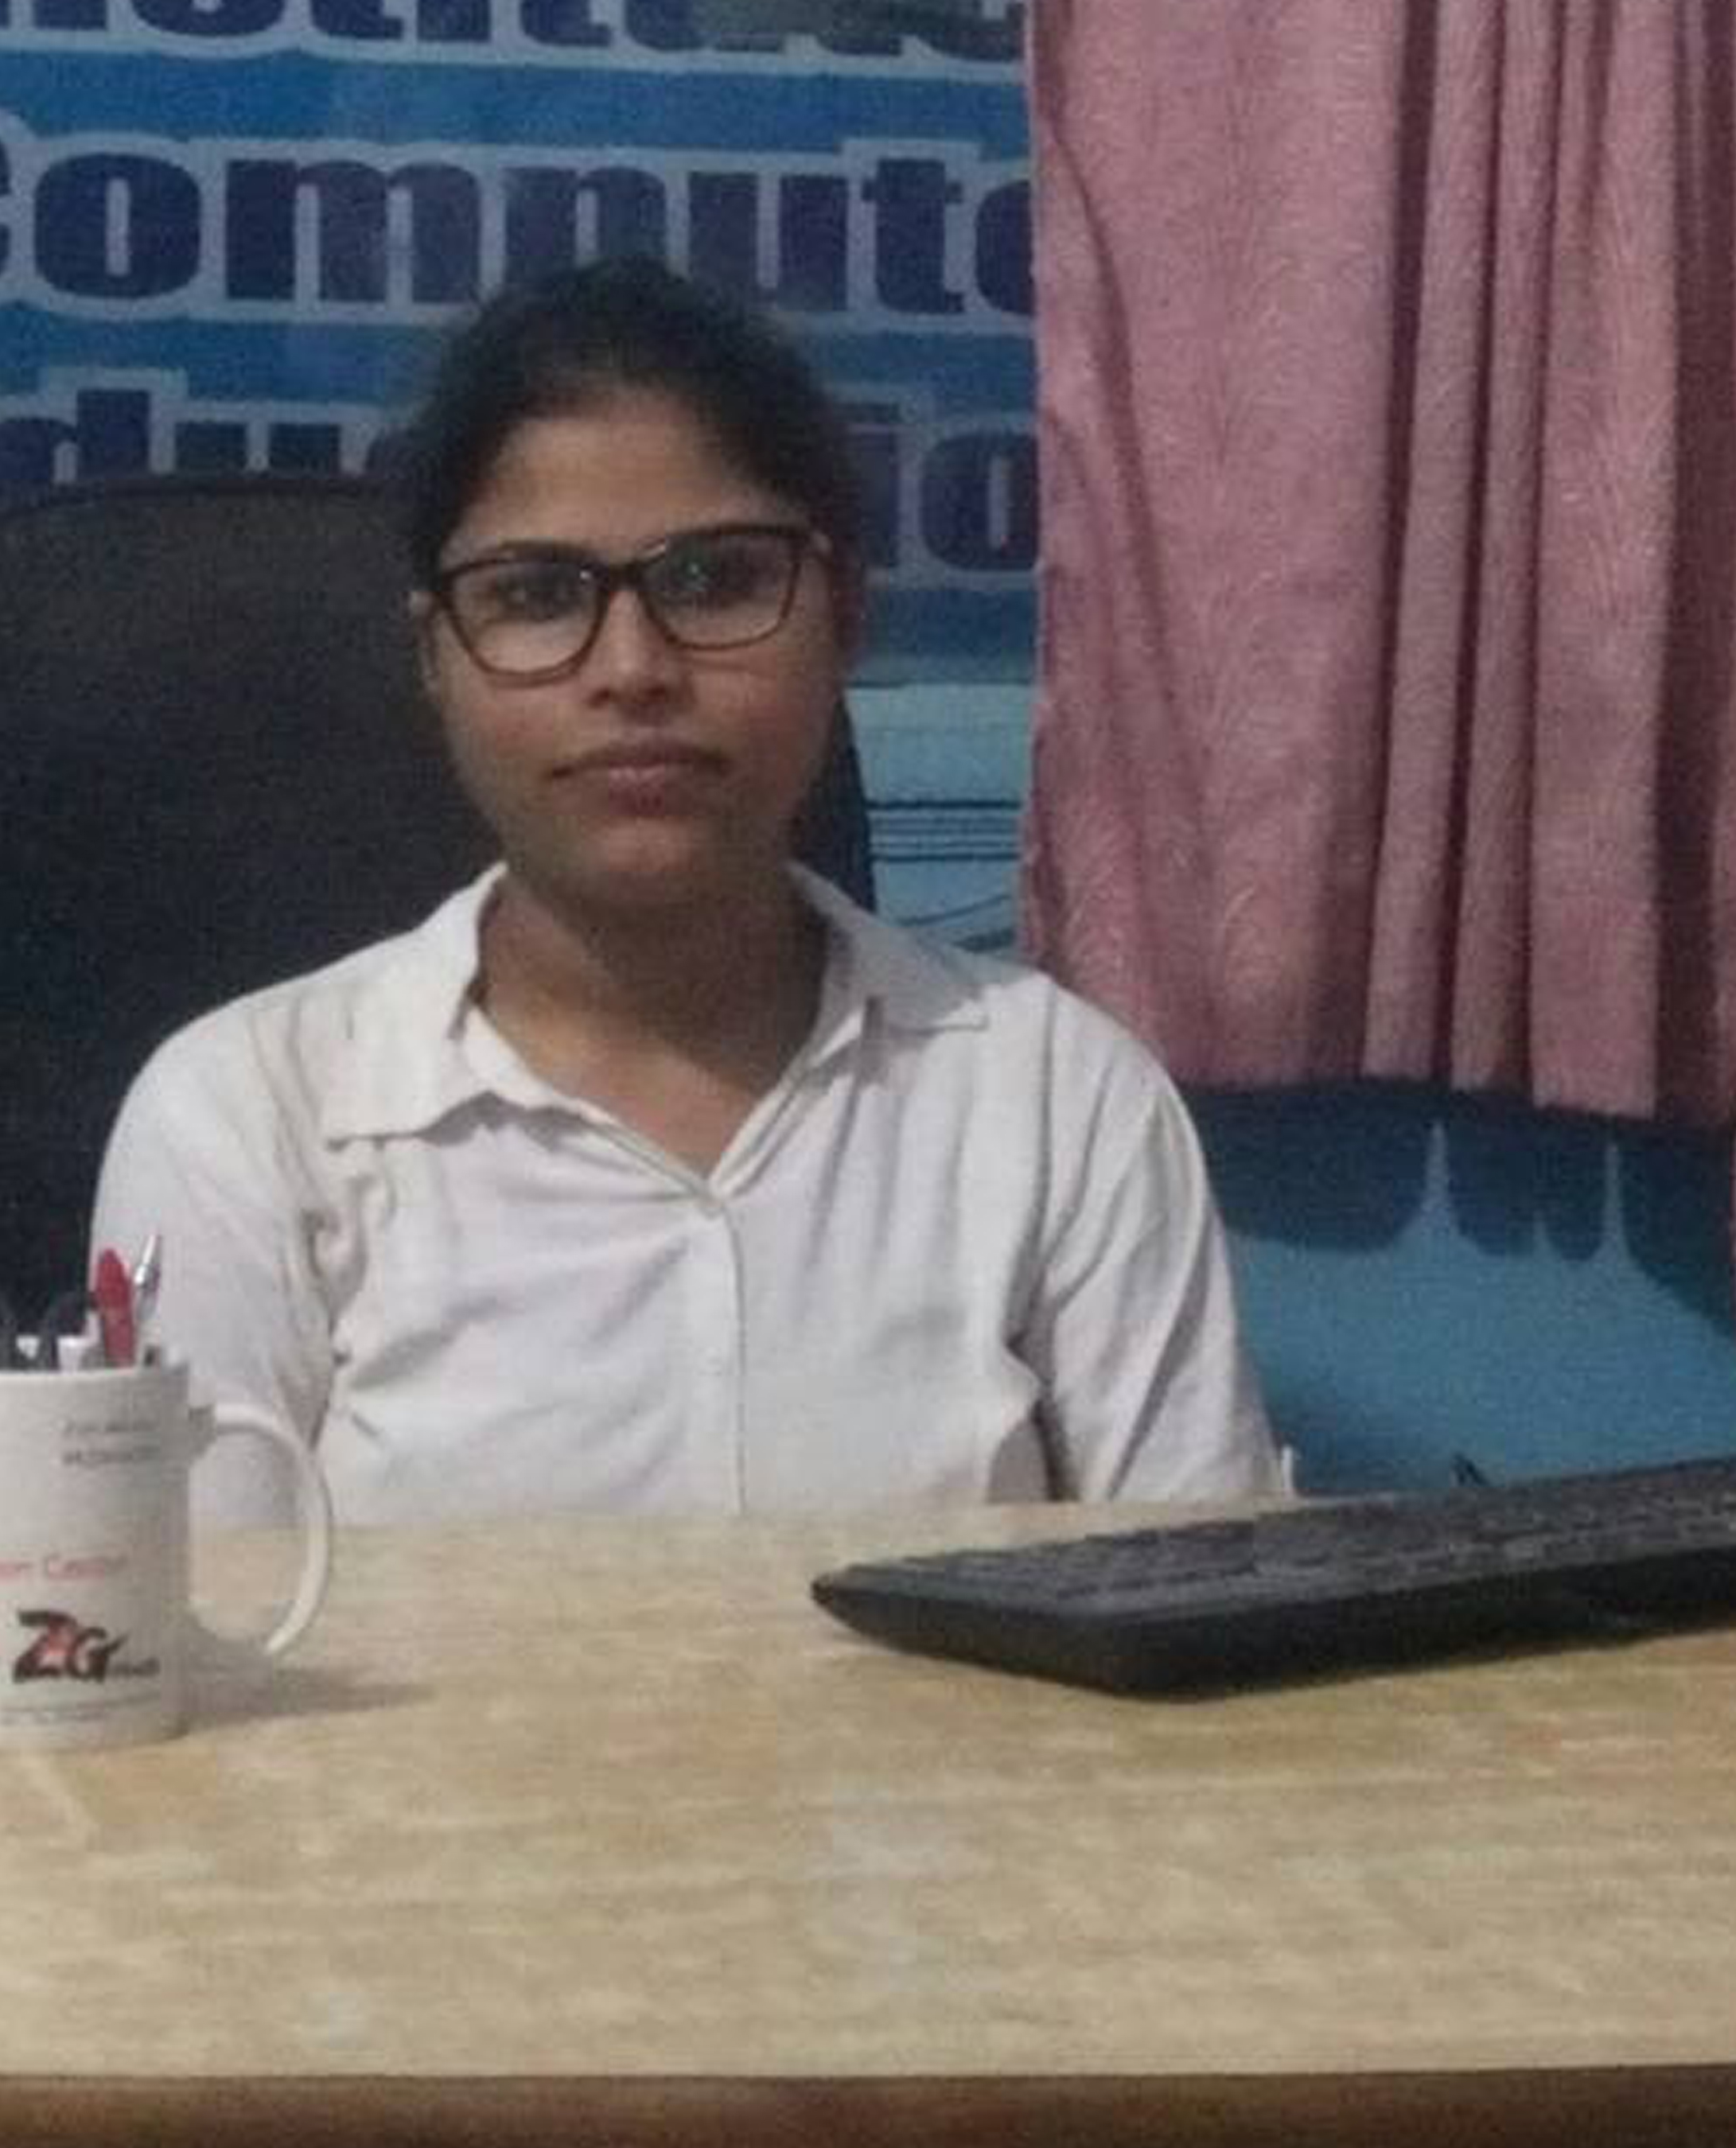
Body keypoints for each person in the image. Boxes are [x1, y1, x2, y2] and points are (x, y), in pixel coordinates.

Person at [92, 256, 1284, 1527]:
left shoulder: (1054, 1098)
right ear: (435, 659)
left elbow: (1205, 1637)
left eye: (715, 580)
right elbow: (194, 1671)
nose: (633, 669)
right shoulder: (248, 1120)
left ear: (847, 618)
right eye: (537, 597)